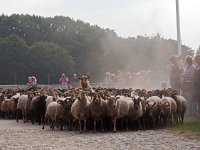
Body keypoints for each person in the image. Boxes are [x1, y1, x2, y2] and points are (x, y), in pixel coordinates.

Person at [192, 47, 200, 115]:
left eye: (198, 59)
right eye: (196, 59)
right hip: (196, 86)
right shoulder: (196, 66)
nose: (197, 60)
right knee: (198, 100)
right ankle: (198, 112)